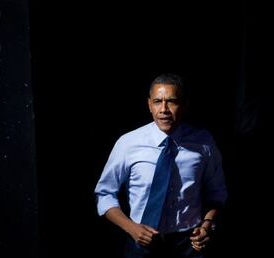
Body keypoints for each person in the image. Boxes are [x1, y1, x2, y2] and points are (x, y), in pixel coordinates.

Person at [94, 73, 227, 258]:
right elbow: (105, 193)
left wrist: (207, 225)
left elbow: (217, 192)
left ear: (185, 105)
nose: (164, 109)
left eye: (171, 101)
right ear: (149, 104)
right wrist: (131, 228)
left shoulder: (203, 142)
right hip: (140, 241)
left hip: (189, 244)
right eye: (157, 101)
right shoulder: (128, 143)